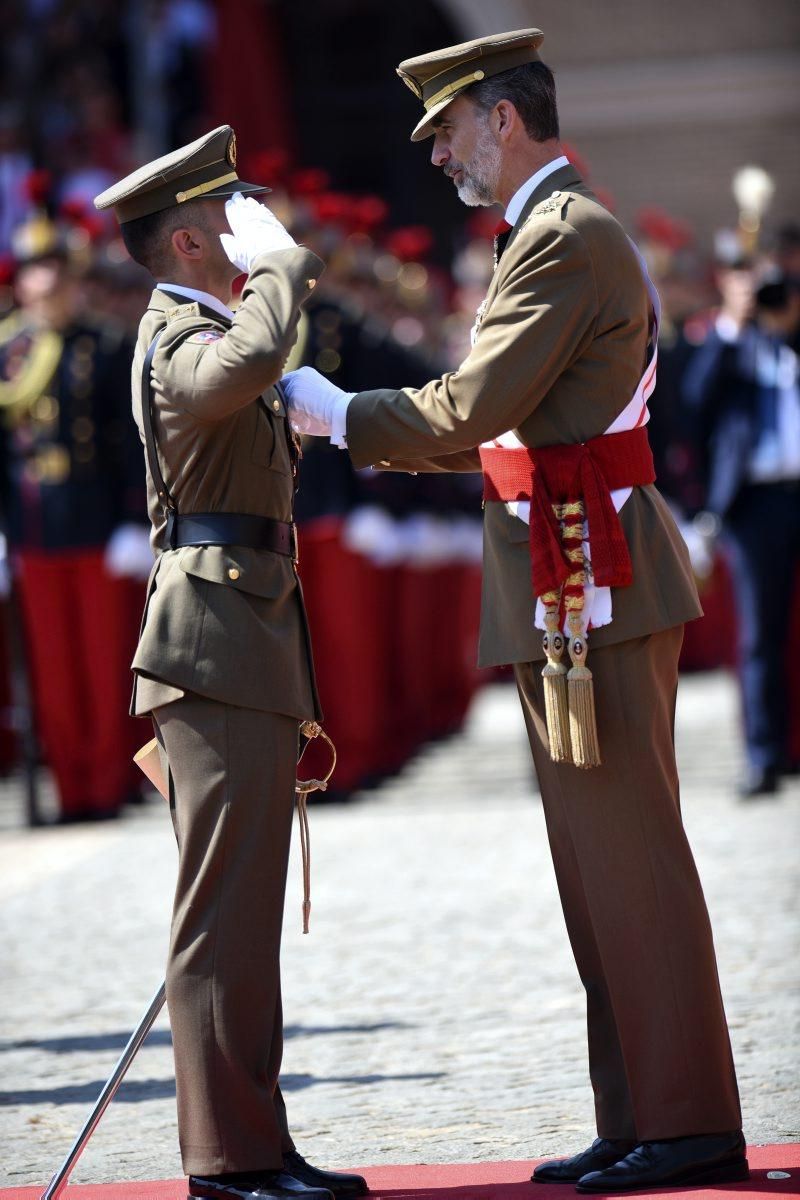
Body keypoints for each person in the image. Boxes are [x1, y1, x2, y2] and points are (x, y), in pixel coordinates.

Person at [282, 29, 746, 1194]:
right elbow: (500, 431)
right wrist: (372, 425)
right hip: (564, 559)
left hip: (590, 562)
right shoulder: (543, 233)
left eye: (445, 132)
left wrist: (340, 414)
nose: (439, 157)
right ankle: (639, 1110)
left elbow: (478, 399)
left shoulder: (559, 237)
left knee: (626, 853)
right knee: (594, 864)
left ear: (500, 116)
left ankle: (684, 1116)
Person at [94, 126, 368, 1200]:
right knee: (219, 914)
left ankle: (262, 1143)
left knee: (245, 912)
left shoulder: (217, 323)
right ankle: (226, 1158)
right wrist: (287, 269)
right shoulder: (176, 338)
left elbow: (261, 371)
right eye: (229, 213)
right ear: (187, 243)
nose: (248, 222)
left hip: (244, 633)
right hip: (207, 644)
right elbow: (246, 365)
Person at [0, 232, 151, 821]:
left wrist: (131, 521)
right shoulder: (11, 353)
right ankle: (71, 788)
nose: (48, 287)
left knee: (104, 661)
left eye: (57, 274)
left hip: (96, 527)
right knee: (55, 672)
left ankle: (108, 783)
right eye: (37, 275)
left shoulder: (108, 347)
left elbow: (130, 442)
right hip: (35, 526)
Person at [683, 264, 800, 795]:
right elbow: (693, 400)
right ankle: (763, 755)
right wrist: (732, 322)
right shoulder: (731, 349)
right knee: (759, 635)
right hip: (756, 505)